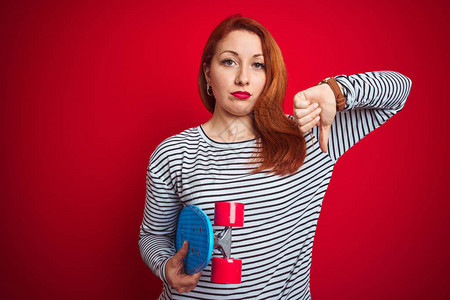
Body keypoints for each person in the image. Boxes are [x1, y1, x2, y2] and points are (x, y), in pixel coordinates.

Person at [138, 15, 412, 299]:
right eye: (229, 61)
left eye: (258, 65)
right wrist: (165, 266)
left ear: (269, 76)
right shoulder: (174, 153)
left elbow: (400, 89)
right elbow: (153, 237)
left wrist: (335, 91)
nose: (243, 77)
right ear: (208, 72)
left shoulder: (308, 136)